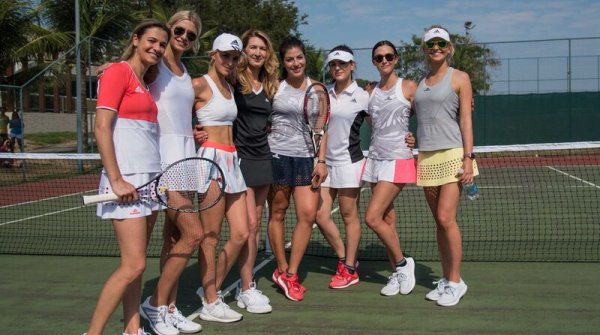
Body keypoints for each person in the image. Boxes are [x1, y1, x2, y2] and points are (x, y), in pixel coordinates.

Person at [85, 19, 170, 335]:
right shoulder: (118, 72)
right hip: (126, 181)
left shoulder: (145, 82)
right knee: (133, 264)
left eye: (162, 44)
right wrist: (117, 178)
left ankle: (132, 330)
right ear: (135, 39)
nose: (157, 48)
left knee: (138, 265)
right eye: (151, 40)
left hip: (148, 182)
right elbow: (101, 127)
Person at [138, 11, 204, 335]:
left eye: (191, 35)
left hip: (186, 156)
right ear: (170, 29)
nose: (183, 37)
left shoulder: (184, 70)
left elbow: (175, 112)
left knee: (174, 237)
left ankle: (169, 307)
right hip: (164, 161)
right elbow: (131, 72)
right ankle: (154, 303)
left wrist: (193, 132)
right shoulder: (156, 62)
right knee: (194, 233)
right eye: (179, 30)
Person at [413, 25, 478, 307]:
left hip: (453, 154)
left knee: (445, 218)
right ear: (425, 49)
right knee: (438, 224)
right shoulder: (420, 82)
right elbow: (423, 119)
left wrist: (468, 157)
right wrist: (411, 137)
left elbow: (465, 119)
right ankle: (445, 278)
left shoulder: (460, 78)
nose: (436, 47)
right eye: (431, 44)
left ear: (449, 47)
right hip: (426, 157)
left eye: (441, 43)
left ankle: (456, 281)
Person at [192, 33, 248, 322]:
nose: (230, 61)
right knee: (210, 237)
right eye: (225, 55)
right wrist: (192, 131)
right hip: (211, 161)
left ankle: (209, 288)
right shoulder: (199, 84)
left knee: (241, 232)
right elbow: (170, 109)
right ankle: (211, 300)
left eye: (235, 57)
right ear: (212, 54)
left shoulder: (230, 84)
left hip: (232, 159)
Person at [267, 36, 328, 302]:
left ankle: (292, 273)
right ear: (283, 62)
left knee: (308, 214)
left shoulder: (318, 89)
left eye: (299, 58)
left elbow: (324, 127)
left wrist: (321, 160)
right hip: (278, 157)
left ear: (305, 57)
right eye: (289, 59)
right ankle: (281, 269)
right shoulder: (274, 87)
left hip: (306, 159)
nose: (296, 63)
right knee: (278, 213)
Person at [363, 40, 417, 297]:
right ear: (374, 61)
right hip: (375, 159)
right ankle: (396, 272)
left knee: (372, 217)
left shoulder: (408, 86)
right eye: (379, 57)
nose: (384, 61)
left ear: (396, 59)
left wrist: (417, 137)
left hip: (398, 160)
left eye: (388, 56)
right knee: (387, 219)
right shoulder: (370, 90)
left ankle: (404, 264)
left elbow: (428, 114)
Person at [231, 29, 279, 313]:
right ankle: (246, 286)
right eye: (253, 47)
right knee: (247, 225)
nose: (258, 52)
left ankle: (245, 284)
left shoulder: (271, 85)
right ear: (244, 51)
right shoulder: (234, 80)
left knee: (255, 224)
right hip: (240, 158)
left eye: (262, 48)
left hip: (264, 158)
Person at [313, 45, 368, 289]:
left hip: (349, 163)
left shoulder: (363, 96)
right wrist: (319, 160)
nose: (337, 68)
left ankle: (348, 268)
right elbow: (319, 127)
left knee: (349, 216)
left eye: (342, 64)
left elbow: (383, 121)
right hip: (326, 165)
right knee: (320, 215)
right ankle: (346, 259)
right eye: (333, 65)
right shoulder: (324, 94)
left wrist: (407, 138)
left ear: (352, 66)